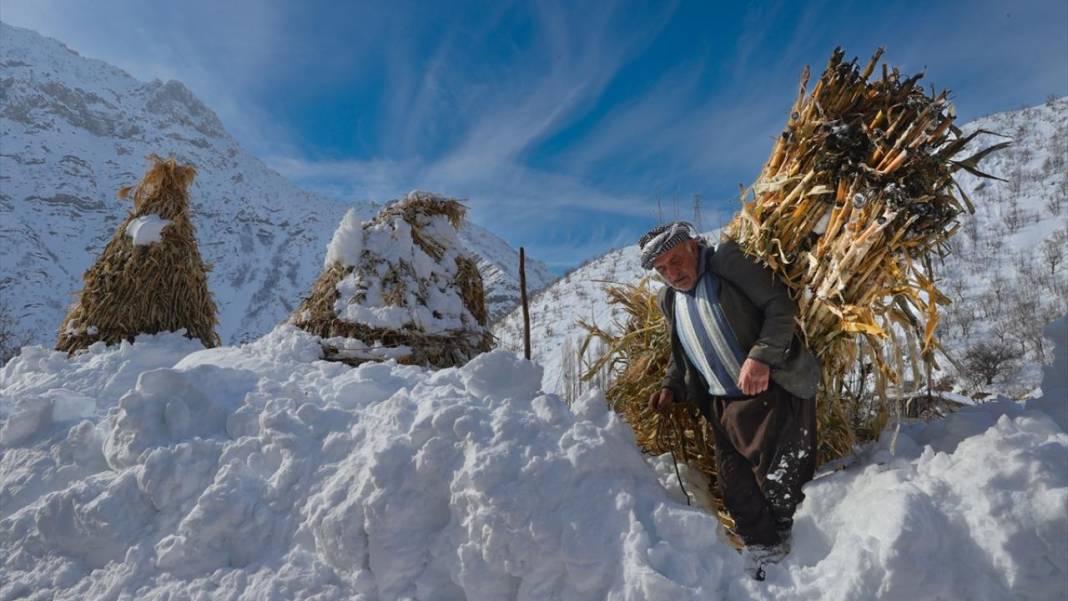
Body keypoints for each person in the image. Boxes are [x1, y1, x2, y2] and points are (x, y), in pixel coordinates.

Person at [638, 221, 820, 581]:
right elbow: (683, 351)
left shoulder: (728, 263)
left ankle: (808, 565)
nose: (672, 274)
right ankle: (765, 556)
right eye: (661, 269)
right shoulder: (669, 299)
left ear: (692, 245)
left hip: (771, 390)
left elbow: (779, 306)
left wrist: (761, 357)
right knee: (737, 490)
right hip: (721, 405)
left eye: (676, 260)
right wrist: (671, 387)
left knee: (783, 484)